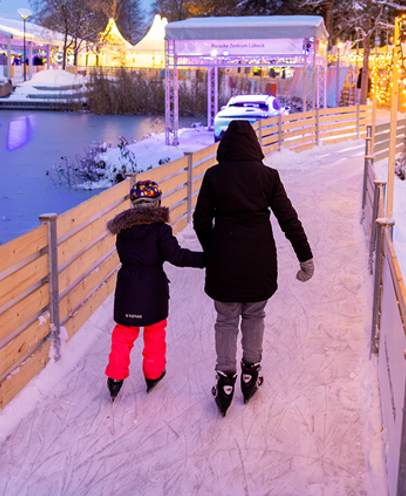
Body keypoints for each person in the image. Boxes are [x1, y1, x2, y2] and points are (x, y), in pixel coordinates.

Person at [193, 120, 314, 416]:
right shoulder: (268, 176)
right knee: (254, 314)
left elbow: (200, 220)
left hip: (225, 261)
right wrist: (305, 256)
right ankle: (250, 373)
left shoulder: (213, 176)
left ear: (225, 147)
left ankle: (225, 379)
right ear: (254, 145)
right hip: (260, 260)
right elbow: (289, 219)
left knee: (225, 319)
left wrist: (215, 248)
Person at [105, 180, 205, 400]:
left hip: (128, 287)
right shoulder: (160, 230)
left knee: (123, 334)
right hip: (152, 288)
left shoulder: (122, 231)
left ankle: (114, 378)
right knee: (154, 332)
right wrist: (206, 259)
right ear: (157, 203)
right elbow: (177, 257)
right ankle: (153, 374)